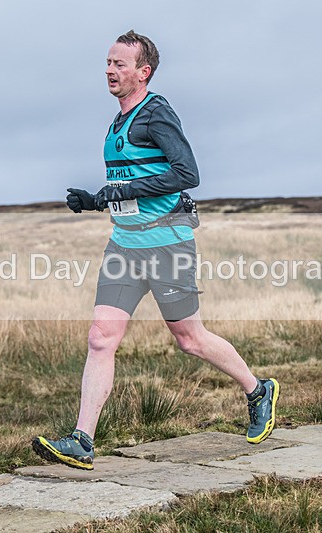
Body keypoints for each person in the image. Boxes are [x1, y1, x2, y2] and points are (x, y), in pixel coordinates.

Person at [32, 30, 279, 470]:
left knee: (190, 339)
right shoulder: (117, 121)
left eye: (120, 64)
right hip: (124, 246)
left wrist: (117, 190)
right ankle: (82, 440)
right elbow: (127, 187)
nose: (110, 70)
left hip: (167, 244)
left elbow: (188, 173)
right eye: (108, 63)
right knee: (100, 338)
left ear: (143, 73)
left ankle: (258, 389)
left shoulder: (156, 113)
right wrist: (95, 200)